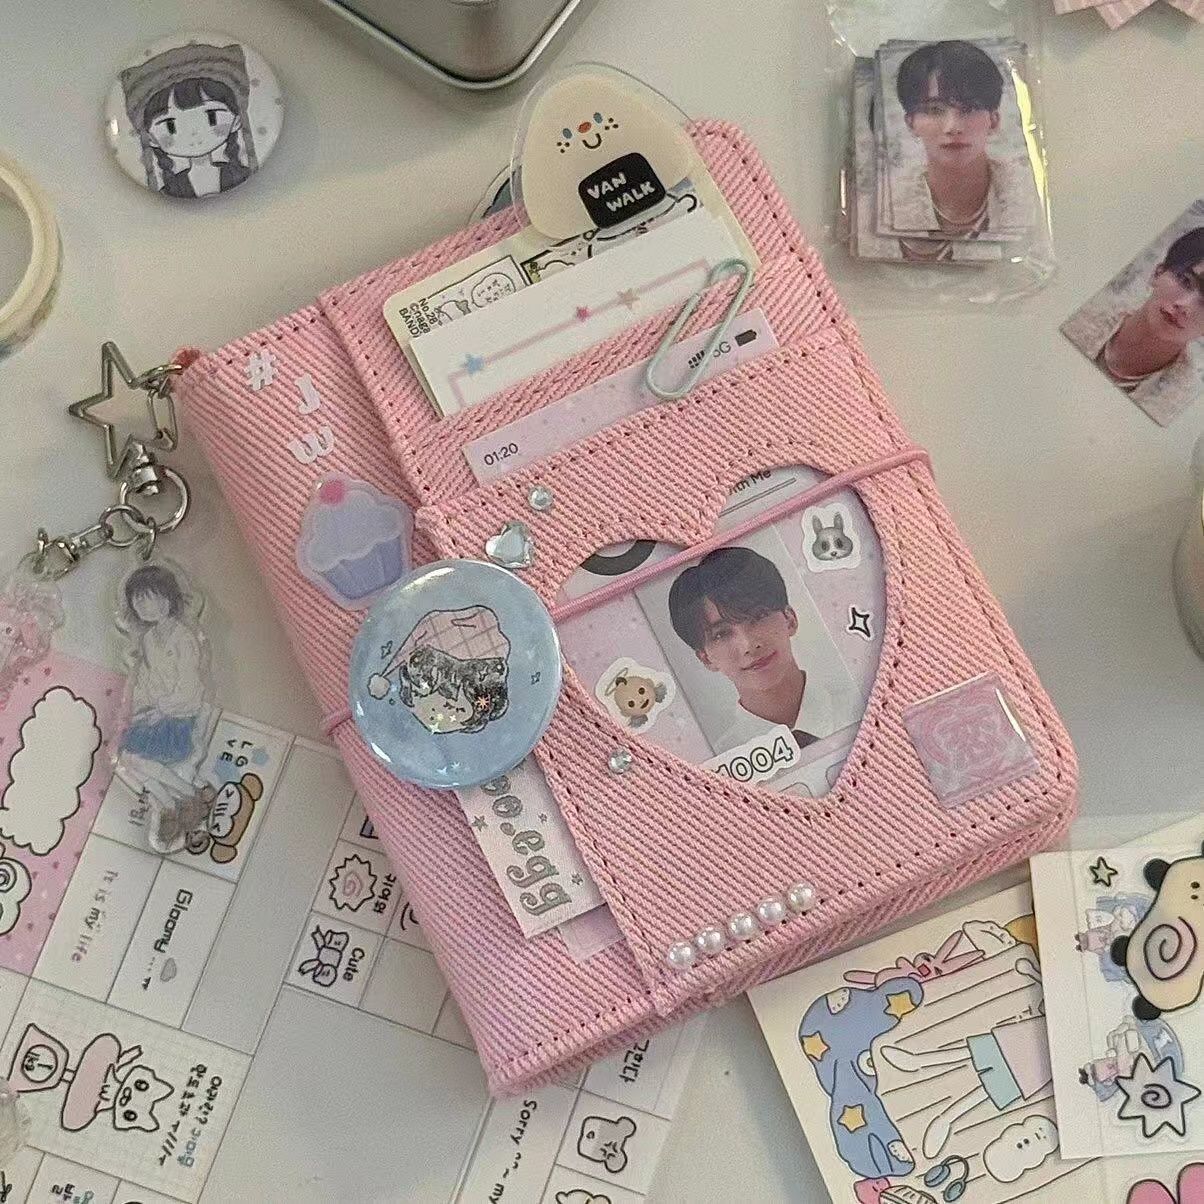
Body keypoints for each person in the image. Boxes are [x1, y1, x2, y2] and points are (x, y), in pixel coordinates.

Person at [668, 546, 819, 749]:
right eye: (721, 634)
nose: (748, 645)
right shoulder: (721, 756)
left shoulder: (857, 704)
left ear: (789, 619)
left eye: (758, 616)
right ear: (706, 658)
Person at [891, 40, 1031, 242]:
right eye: (935, 110)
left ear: (993, 121)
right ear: (911, 123)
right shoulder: (890, 206)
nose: (953, 127)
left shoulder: (1029, 197)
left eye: (969, 108)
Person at [1063, 226, 1204, 420]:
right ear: (1158, 273)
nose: (1183, 305)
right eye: (1185, 280)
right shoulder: (1079, 314)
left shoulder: (1183, 405)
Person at [121, 41, 255, 198]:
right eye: (171, 126)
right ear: (151, 138)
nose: (193, 132)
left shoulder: (242, 176)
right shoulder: (170, 192)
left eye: (211, 117)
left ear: (236, 121)